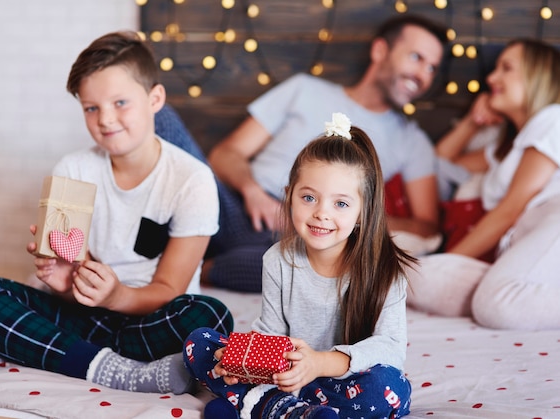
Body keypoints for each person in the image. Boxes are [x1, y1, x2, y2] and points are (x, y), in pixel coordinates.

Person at [0, 31, 233, 394]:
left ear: (154, 98)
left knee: (210, 316)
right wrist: (66, 284)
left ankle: (37, 347)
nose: (106, 119)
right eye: (91, 108)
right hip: (82, 315)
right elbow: (70, 279)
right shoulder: (74, 169)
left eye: (120, 103)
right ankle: (112, 369)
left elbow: (170, 288)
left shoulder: (192, 179)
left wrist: (116, 296)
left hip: (150, 316)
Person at [183, 114, 415, 419]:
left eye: (341, 204)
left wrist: (319, 363)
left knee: (390, 386)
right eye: (309, 197)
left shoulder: (384, 271)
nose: (321, 213)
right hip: (285, 377)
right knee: (200, 343)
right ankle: (283, 408)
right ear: (289, 195)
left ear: (363, 212)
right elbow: (271, 333)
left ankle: (259, 406)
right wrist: (241, 362)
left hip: (342, 381)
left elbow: (390, 349)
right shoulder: (277, 260)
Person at [203, 14, 448, 293]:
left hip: (299, 235)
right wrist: (251, 191)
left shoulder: (413, 141)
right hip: (236, 204)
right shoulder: (304, 89)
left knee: (293, 270)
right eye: (416, 57)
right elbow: (225, 153)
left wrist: (343, 218)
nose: (423, 75)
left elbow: (427, 228)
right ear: (380, 50)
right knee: (168, 128)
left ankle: (194, 267)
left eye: (432, 68)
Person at [406, 38, 560, 330]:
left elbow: (510, 209)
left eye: (506, 68)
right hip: (521, 246)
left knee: (495, 306)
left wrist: (449, 260)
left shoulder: (553, 119)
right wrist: (472, 123)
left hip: (553, 223)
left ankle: (502, 295)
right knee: (418, 277)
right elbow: (440, 162)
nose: (491, 78)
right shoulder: (508, 149)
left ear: (536, 76)